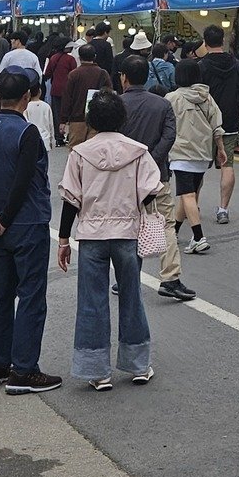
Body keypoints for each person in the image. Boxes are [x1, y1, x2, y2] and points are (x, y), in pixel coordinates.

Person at [57, 90, 163, 390]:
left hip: (91, 236)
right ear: (122, 118)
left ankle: (97, 371)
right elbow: (151, 191)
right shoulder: (138, 152)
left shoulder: (80, 154)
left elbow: (70, 199)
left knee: (91, 301)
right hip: (127, 234)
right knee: (131, 297)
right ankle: (138, 365)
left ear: (91, 120)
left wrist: (63, 239)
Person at [0, 68, 61, 394]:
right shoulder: (28, 132)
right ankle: (24, 370)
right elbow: (23, 181)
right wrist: (5, 217)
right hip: (28, 222)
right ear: (27, 97)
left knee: (0, 292)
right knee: (31, 295)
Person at [117, 55, 190, 300]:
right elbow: (169, 136)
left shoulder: (117, 104)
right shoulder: (162, 104)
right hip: (157, 174)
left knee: (126, 226)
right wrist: (151, 160)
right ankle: (170, 277)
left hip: (124, 175)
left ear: (124, 77)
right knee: (165, 224)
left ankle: (126, 277)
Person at [166, 58, 227, 255]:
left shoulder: (172, 98)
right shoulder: (207, 97)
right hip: (202, 153)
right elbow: (217, 125)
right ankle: (174, 231)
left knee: (187, 195)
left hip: (181, 152)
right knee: (189, 194)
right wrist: (220, 149)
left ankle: (199, 237)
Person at [198, 24, 239, 226]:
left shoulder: (201, 66)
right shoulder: (236, 65)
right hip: (229, 120)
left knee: (198, 166)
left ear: (205, 42)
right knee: (227, 165)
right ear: (223, 41)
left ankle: (192, 205)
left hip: (204, 122)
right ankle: (223, 209)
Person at [63, 44, 112, 148]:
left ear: (79, 57)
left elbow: (67, 98)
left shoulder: (74, 74)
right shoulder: (103, 73)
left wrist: (63, 119)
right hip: (97, 118)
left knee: (75, 149)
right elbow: (109, 95)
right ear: (94, 56)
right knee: (93, 149)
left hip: (77, 118)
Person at [44, 39, 77, 145]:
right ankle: (70, 135)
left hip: (55, 89)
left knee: (57, 113)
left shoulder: (53, 58)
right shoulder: (70, 59)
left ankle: (59, 137)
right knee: (70, 112)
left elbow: (47, 73)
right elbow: (74, 74)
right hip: (69, 90)